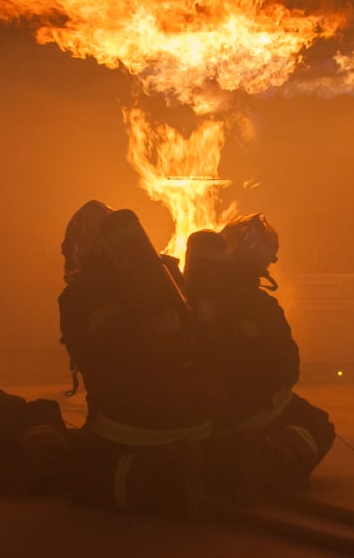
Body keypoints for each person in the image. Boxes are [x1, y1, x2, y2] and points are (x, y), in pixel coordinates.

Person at [58, 202, 224, 516]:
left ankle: (165, 479)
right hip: (202, 422)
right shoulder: (167, 273)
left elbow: (98, 371)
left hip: (142, 427)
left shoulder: (78, 296)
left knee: (82, 478)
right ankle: (201, 464)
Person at [184, 213, 335, 494]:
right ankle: (260, 463)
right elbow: (289, 368)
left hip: (191, 417)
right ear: (262, 261)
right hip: (241, 415)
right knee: (318, 426)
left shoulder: (182, 294)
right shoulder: (262, 307)